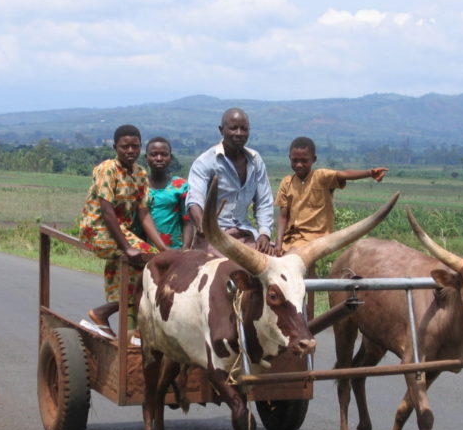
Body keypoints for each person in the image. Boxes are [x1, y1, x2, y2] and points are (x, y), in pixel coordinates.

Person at [275, 136, 388, 317]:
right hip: (292, 239)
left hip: (316, 238)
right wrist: (278, 244)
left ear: (314, 160)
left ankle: (307, 317)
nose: (299, 165)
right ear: (289, 158)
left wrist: (369, 173)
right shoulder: (287, 182)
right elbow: (282, 216)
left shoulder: (320, 177)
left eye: (304, 160)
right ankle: (282, 314)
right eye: (295, 160)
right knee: (269, 266)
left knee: (298, 267)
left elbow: (343, 175)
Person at [79, 124, 167, 337]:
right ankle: (104, 313)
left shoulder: (140, 173)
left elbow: (144, 214)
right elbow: (107, 211)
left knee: (140, 271)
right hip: (97, 230)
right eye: (124, 147)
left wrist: (165, 248)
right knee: (152, 261)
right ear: (115, 147)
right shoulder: (107, 169)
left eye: (135, 147)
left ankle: (106, 316)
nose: (130, 151)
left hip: (121, 232)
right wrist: (127, 247)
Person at [186, 108, 275, 254]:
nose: (239, 133)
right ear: (221, 130)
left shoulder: (255, 160)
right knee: (224, 269)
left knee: (279, 264)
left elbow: (264, 202)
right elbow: (194, 201)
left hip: (246, 234)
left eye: (244, 129)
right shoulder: (205, 161)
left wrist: (264, 234)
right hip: (215, 235)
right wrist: (204, 227)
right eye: (233, 128)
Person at [144, 136, 194, 250]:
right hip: (144, 249)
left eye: (164, 154)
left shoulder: (181, 186)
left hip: (175, 250)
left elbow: (187, 221)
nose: (159, 158)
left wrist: (185, 249)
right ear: (146, 158)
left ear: (170, 157)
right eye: (154, 154)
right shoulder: (138, 185)